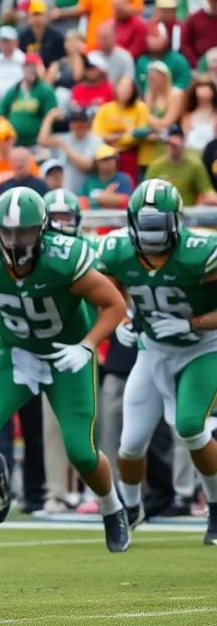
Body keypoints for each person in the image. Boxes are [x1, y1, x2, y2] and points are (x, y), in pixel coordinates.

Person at [0, 189, 129, 555]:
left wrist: (87, 345)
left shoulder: (64, 258)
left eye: (25, 232)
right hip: (16, 352)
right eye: (8, 232)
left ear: (42, 230)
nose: (15, 241)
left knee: (81, 451)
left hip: (66, 356)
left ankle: (113, 508)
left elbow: (113, 304)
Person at [99, 180, 217, 545]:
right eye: (144, 229)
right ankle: (132, 508)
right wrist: (122, 318)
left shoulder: (203, 251)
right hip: (154, 349)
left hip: (203, 346)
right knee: (130, 443)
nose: (150, 240)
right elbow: (107, 286)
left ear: (175, 223)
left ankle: (215, 506)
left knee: (190, 426)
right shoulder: (116, 248)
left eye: (158, 229)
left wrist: (192, 322)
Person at [146, 124, 217, 205]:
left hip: (187, 214)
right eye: (171, 143)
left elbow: (207, 191)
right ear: (166, 144)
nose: (174, 146)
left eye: (178, 141)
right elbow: (146, 195)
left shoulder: (195, 166)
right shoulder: (156, 167)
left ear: (183, 142)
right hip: (163, 213)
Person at [79, 145, 134, 209]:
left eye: (111, 158)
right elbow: (80, 202)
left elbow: (127, 202)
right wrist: (103, 199)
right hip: (92, 217)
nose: (107, 162)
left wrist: (93, 200)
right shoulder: (90, 181)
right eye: (103, 159)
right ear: (96, 162)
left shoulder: (123, 179)